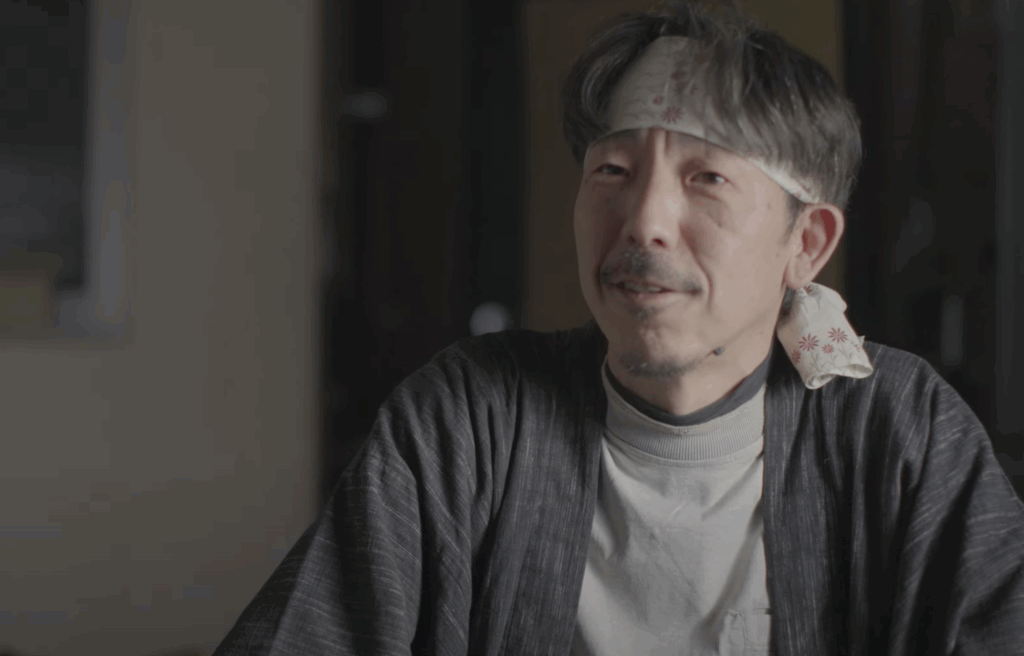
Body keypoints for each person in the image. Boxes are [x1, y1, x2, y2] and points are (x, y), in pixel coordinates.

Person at [213, 2, 1024, 654]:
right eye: (612, 170)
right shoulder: (473, 416)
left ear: (805, 243)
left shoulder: (901, 429)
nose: (643, 223)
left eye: (706, 178)